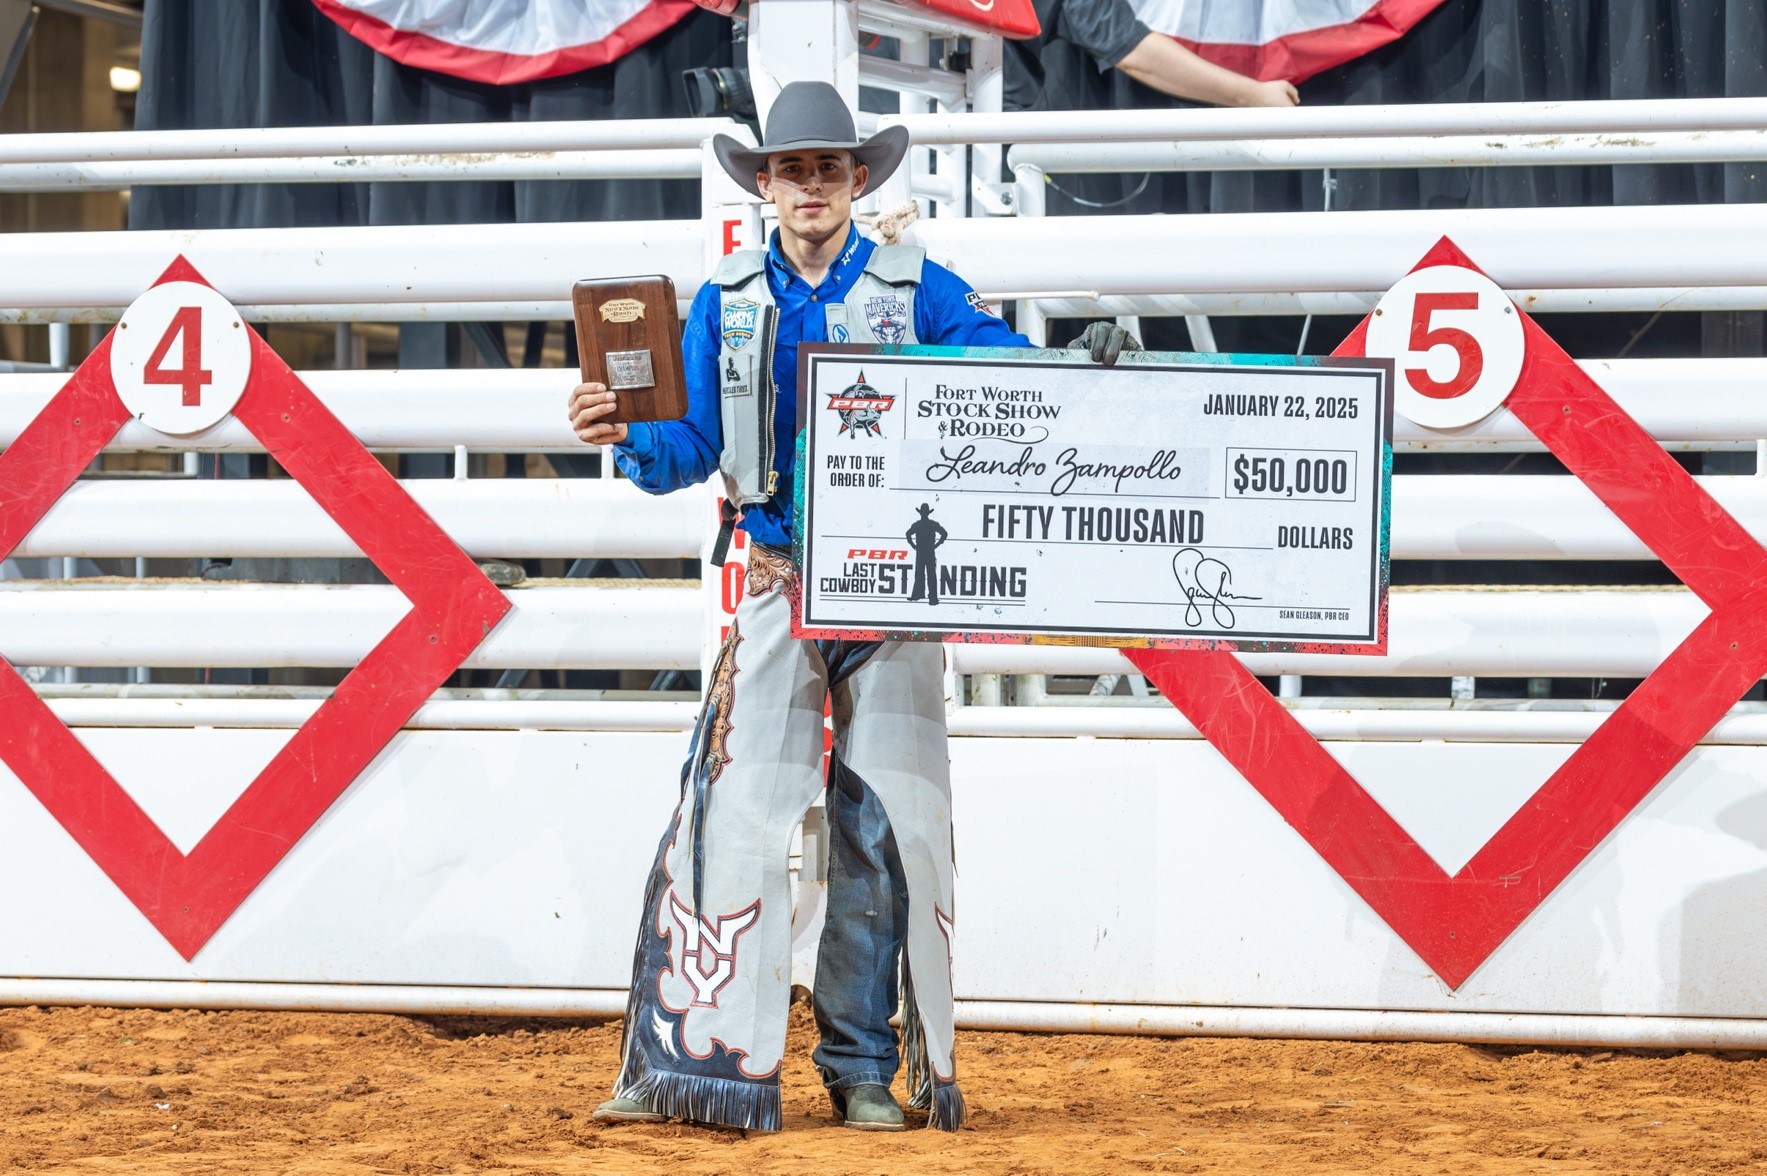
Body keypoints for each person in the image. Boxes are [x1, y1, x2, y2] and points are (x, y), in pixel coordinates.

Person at [568, 80, 1035, 1135]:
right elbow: (686, 448)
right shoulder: (725, 299)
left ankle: (859, 1063)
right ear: (767, 184)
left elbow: (1007, 376)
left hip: (889, 585)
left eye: (829, 167)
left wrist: (965, 369)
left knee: (882, 827)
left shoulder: (920, 287)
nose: (812, 185)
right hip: (781, 568)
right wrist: (624, 431)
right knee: (728, 817)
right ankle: (698, 1056)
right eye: (794, 168)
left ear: (856, 180)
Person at [1006, 0, 1299, 113]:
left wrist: (1253, 94)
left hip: (990, 152)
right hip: (985, 148)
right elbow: (1133, 50)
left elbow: (1131, 47)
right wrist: (1254, 94)